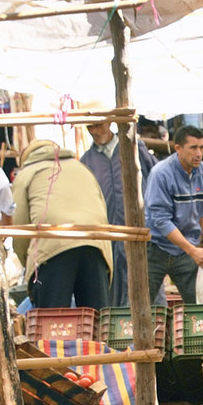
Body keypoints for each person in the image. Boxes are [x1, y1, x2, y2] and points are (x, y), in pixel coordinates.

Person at [11, 138, 112, 312]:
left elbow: (19, 228)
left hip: (52, 247)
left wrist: (28, 264)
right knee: (97, 319)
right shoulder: (82, 169)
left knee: (53, 322)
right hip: (95, 243)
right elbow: (102, 209)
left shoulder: (26, 173)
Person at [82, 118, 156, 306]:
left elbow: (155, 181)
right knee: (112, 288)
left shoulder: (135, 150)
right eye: (90, 126)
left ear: (109, 123)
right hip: (108, 234)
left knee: (147, 285)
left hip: (139, 229)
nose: (94, 131)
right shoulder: (87, 161)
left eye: (97, 125)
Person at [143, 127, 203, 307]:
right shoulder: (161, 173)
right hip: (156, 247)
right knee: (142, 306)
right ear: (178, 148)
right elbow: (161, 220)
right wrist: (192, 250)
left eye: (202, 148)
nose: (198, 153)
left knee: (198, 304)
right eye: (193, 148)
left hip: (187, 248)